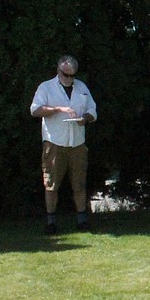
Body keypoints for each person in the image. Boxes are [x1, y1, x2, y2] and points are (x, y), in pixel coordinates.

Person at [30, 54, 97, 234]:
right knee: (51, 184)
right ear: (58, 71)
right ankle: (51, 222)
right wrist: (58, 109)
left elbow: (92, 110)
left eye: (72, 75)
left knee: (79, 183)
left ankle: (82, 220)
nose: (69, 79)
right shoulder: (46, 87)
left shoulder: (81, 87)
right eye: (66, 75)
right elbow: (35, 110)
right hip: (55, 142)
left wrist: (85, 119)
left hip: (77, 143)